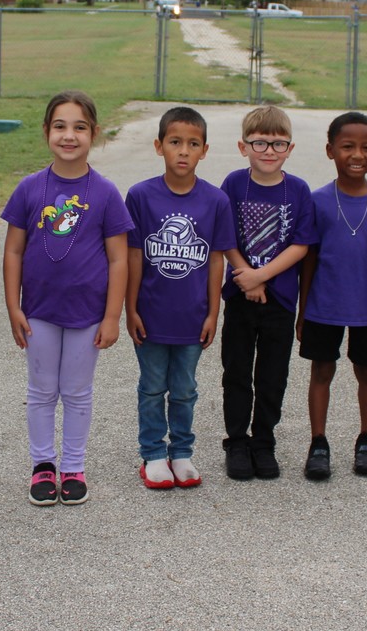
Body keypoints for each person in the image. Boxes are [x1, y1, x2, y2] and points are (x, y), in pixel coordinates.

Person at [2, 90, 134, 506]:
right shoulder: (29, 188)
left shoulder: (106, 192)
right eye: (60, 126)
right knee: (41, 390)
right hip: (38, 311)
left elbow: (118, 259)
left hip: (87, 313)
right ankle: (43, 466)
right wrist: (12, 307)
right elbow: (13, 251)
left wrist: (113, 316)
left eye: (79, 127)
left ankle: (74, 466)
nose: (69, 136)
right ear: (46, 132)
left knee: (77, 392)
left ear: (94, 133)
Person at [125, 107, 235, 490]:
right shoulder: (140, 196)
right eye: (175, 142)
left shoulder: (216, 200)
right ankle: (153, 453)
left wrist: (213, 313)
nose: (183, 151)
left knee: (185, 388)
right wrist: (131, 308)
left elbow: (217, 260)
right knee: (153, 385)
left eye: (192, 144)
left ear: (205, 150)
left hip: (193, 316)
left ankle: (182, 451)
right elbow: (135, 255)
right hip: (152, 314)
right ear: (159, 147)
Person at [297, 112, 367, 481]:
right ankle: (318, 443)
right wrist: (302, 309)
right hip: (324, 305)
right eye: (348, 146)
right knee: (321, 369)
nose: (357, 155)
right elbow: (308, 259)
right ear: (330, 151)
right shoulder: (318, 200)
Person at [220, 105, 313, 480]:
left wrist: (262, 277)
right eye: (260, 143)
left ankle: (264, 440)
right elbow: (224, 236)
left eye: (278, 144)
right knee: (237, 371)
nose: (269, 151)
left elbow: (301, 245)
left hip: (280, 299)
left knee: (272, 374)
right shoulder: (233, 184)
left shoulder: (298, 190)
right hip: (240, 296)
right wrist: (247, 276)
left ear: (290, 148)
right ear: (244, 147)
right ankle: (237, 441)